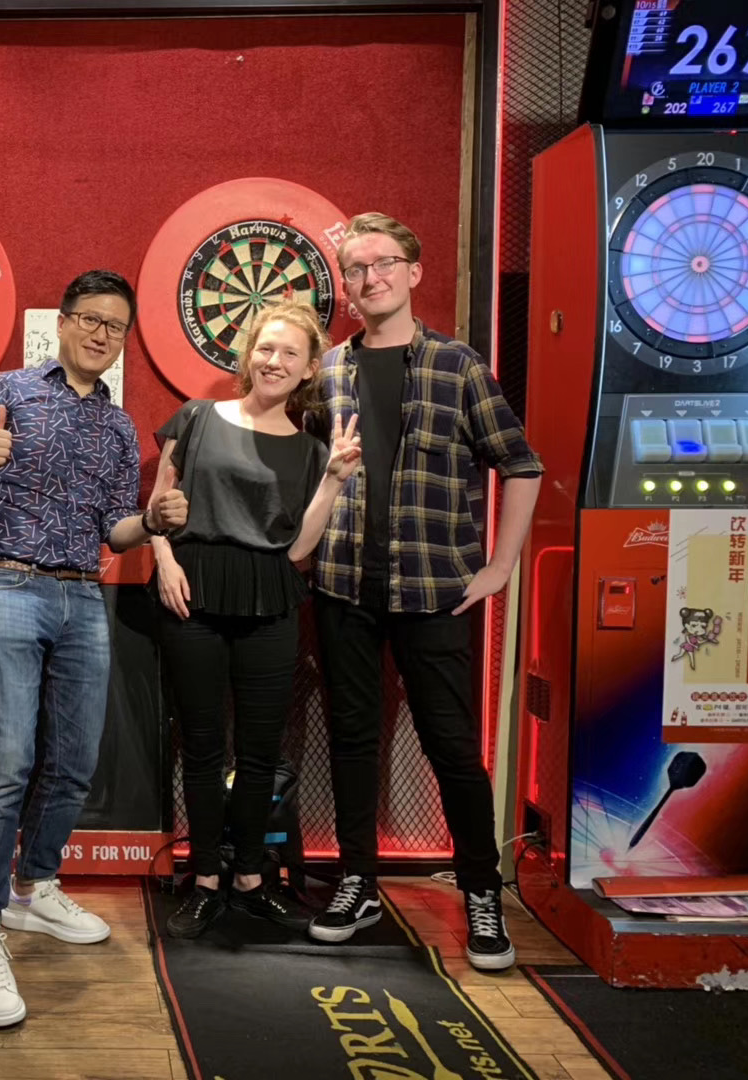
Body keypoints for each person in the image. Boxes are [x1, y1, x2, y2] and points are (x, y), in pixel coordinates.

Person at [0, 270, 187, 1026]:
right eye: (90, 319)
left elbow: (115, 529)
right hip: (6, 583)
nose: (101, 334)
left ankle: (33, 887)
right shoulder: (6, 389)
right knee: (7, 761)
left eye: (116, 326)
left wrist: (152, 523)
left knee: (75, 761)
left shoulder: (118, 426)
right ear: (64, 322)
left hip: (83, 593)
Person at [305, 213, 542, 971]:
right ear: (345, 286)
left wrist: (501, 567)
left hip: (436, 589)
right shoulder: (329, 372)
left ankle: (480, 889)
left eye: (382, 263)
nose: (369, 278)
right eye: (355, 269)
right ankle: (358, 881)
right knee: (351, 740)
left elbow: (521, 464)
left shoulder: (457, 366)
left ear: (412, 271)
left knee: (452, 746)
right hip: (342, 586)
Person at [150, 297, 360, 939]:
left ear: (309, 369)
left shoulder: (312, 451)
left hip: (270, 595)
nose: (274, 361)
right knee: (202, 747)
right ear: (248, 353)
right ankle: (205, 879)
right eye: (266, 348)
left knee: (261, 750)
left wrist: (333, 480)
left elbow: (298, 550)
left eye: (290, 353)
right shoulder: (196, 417)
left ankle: (249, 877)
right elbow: (159, 503)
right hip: (193, 587)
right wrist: (164, 561)